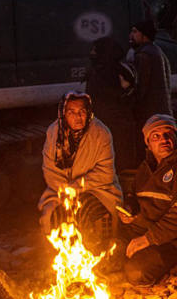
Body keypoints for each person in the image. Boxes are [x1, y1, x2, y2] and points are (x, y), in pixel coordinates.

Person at [113, 114, 177, 286]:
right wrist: (129, 210)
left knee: (137, 271)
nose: (163, 140)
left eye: (168, 134)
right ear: (148, 142)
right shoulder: (146, 167)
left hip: (172, 239)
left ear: (175, 137)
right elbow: (133, 196)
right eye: (156, 136)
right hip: (141, 231)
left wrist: (147, 239)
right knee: (105, 256)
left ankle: (173, 266)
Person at [39, 92, 123, 254]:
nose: (78, 117)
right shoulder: (54, 132)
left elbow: (105, 173)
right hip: (61, 191)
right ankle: (63, 258)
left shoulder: (101, 132)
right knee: (55, 216)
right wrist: (65, 191)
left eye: (82, 112)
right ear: (64, 113)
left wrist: (76, 187)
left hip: (98, 189)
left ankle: (100, 254)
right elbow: (49, 169)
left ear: (88, 112)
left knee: (94, 214)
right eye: (71, 112)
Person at [85, 36, 139, 171]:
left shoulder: (116, 71)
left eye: (95, 50)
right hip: (105, 122)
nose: (92, 53)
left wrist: (124, 90)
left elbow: (126, 95)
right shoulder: (99, 69)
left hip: (116, 124)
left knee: (118, 158)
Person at [129, 19, 172, 125]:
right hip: (162, 110)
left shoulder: (144, 55)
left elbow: (141, 86)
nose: (131, 35)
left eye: (135, 32)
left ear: (144, 34)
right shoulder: (158, 51)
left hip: (149, 113)